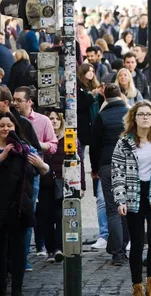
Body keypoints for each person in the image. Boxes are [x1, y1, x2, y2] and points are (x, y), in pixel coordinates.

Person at [112, 101, 151, 296]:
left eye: (148, 114)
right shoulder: (124, 142)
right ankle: (137, 285)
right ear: (134, 117)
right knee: (137, 242)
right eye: (141, 114)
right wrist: (120, 199)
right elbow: (117, 172)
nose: (145, 117)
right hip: (133, 194)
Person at [0, 111, 49, 295]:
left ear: (15, 127)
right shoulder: (3, 150)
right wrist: (2, 156)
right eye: (2, 126)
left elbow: (44, 170)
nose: (6, 129)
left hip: (19, 206)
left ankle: (17, 289)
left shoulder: (25, 148)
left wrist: (40, 164)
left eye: (9, 126)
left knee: (19, 251)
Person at [90, 84, 130, 266]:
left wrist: (94, 168)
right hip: (130, 165)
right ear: (121, 95)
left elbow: (95, 145)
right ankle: (125, 246)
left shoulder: (102, 116)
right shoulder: (130, 113)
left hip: (108, 164)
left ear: (105, 98)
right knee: (128, 208)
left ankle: (118, 253)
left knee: (113, 209)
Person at [41, 111, 85, 263]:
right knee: (46, 217)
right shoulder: (43, 138)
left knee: (61, 216)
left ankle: (59, 248)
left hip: (64, 183)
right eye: (50, 119)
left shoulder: (69, 138)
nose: (53, 122)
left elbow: (80, 162)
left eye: (56, 119)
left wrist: (82, 185)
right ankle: (50, 249)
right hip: (45, 183)